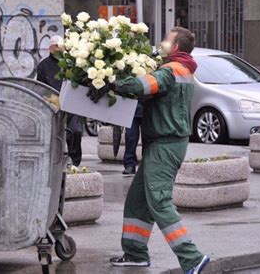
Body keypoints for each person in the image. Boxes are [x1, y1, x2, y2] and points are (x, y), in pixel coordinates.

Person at [87, 27, 210, 274]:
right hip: (161, 143)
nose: (161, 42)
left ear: (175, 47)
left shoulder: (170, 71)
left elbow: (143, 86)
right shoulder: (181, 69)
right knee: (137, 201)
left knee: (160, 202)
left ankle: (192, 258)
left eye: (166, 39)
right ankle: (135, 253)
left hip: (166, 144)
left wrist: (112, 82)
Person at [37, 35, 82, 166]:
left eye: (60, 46)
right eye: (56, 46)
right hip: (53, 104)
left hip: (72, 102)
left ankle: (75, 161)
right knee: (56, 135)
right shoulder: (43, 66)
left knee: (75, 131)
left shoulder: (71, 63)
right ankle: (55, 161)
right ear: (51, 48)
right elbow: (41, 87)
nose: (59, 49)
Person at [122, 102, 143, 176]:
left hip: (148, 106)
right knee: (130, 137)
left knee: (148, 139)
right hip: (131, 106)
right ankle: (129, 165)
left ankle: (146, 164)